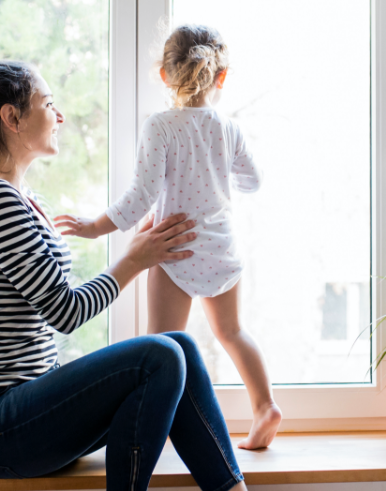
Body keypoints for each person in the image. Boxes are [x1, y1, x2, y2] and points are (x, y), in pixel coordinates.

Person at [0, 60, 336, 491]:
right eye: (48, 104)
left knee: (177, 346)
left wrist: (135, 252)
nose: (60, 115)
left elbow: (48, 302)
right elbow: (65, 310)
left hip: (22, 406)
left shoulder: (22, 199)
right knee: (159, 354)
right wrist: (134, 260)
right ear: (12, 118)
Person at [54, 25, 282, 450]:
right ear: (222, 76)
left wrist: (92, 226)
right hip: (221, 246)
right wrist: (216, 170)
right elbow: (253, 180)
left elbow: (139, 198)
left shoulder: (159, 127)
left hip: (173, 247)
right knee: (232, 332)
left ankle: (159, 431)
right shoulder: (227, 128)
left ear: (164, 75)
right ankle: (265, 405)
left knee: (161, 348)